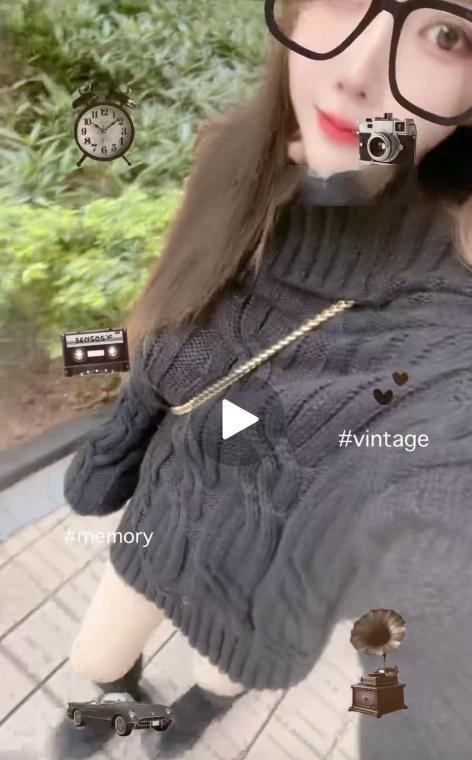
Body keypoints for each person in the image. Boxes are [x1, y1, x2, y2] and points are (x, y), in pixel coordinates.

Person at [54, 1, 472, 758]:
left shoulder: (443, 316)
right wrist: (111, 456)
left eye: (448, 35)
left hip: (265, 596)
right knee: (96, 656)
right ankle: (120, 700)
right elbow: (159, 342)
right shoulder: (236, 162)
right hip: (165, 518)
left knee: (215, 678)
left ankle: (194, 716)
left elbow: (438, 551)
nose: (354, 74)